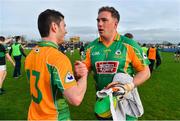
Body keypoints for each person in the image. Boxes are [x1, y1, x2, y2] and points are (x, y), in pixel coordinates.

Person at [82, 6, 150, 120]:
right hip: (103, 105)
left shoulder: (129, 45)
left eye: (104, 20)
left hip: (125, 105)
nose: (99, 24)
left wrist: (129, 86)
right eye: (98, 20)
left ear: (115, 24)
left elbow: (145, 72)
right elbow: (82, 75)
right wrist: (79, 72)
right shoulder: (90, 47)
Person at [25, 9, 88, 120]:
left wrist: (73, 77)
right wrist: (84, 75)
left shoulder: (31, 55)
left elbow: (47, 82)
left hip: (33, 117)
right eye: (64, 26)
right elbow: (76, 98)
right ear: (54, 27)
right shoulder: (58, 58)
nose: (66, 31)